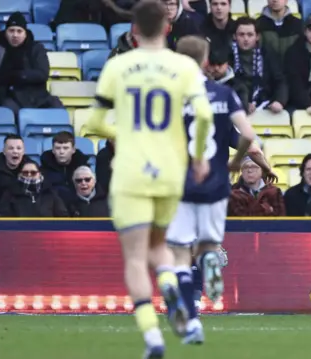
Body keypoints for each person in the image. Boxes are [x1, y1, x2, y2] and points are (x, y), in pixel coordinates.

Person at [84, 1, 214, 357]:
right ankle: (171, 287)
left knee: (136, 258)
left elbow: (93, 123)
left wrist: (120, 131)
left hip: (129, 171)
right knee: (161, 247)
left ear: (133, 30)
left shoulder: (118, 66)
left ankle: (152, 337)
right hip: (170, 171)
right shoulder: (183, 67)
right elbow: (203, 115)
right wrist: (199, 156)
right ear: (168, 27)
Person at [166, 35, 256, 345]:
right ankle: (206, 268)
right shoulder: (223, 93)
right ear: (206, 61)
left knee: (179, 251)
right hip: (216, 183)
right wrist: (235, 162)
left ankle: (190, 317)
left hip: (179, 183)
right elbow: (248, 134)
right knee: (206, 246)